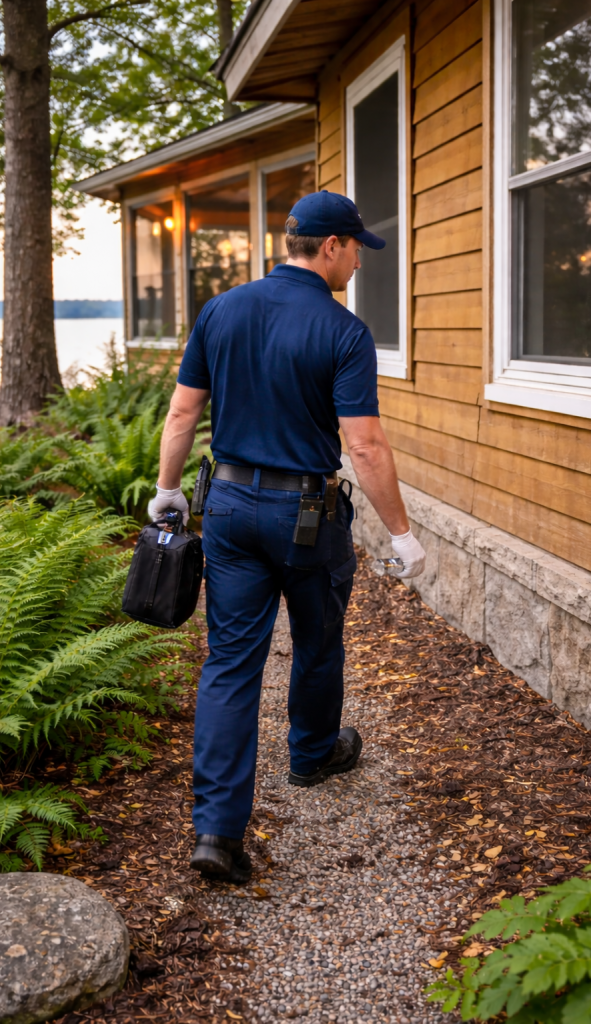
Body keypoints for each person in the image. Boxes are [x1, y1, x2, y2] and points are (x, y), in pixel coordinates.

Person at [148, 190, 426, 883]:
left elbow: (183, 411)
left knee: (230, 664)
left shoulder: (222, 309)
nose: (359, 262)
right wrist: (402, 533)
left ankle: (216, 832)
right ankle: (310, 753)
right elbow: (362, 445)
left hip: (232, 508)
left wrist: (168, 488)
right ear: (329, 246)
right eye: (357, 247)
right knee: (317, 637)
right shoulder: (342, 330)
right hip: (305, 515)